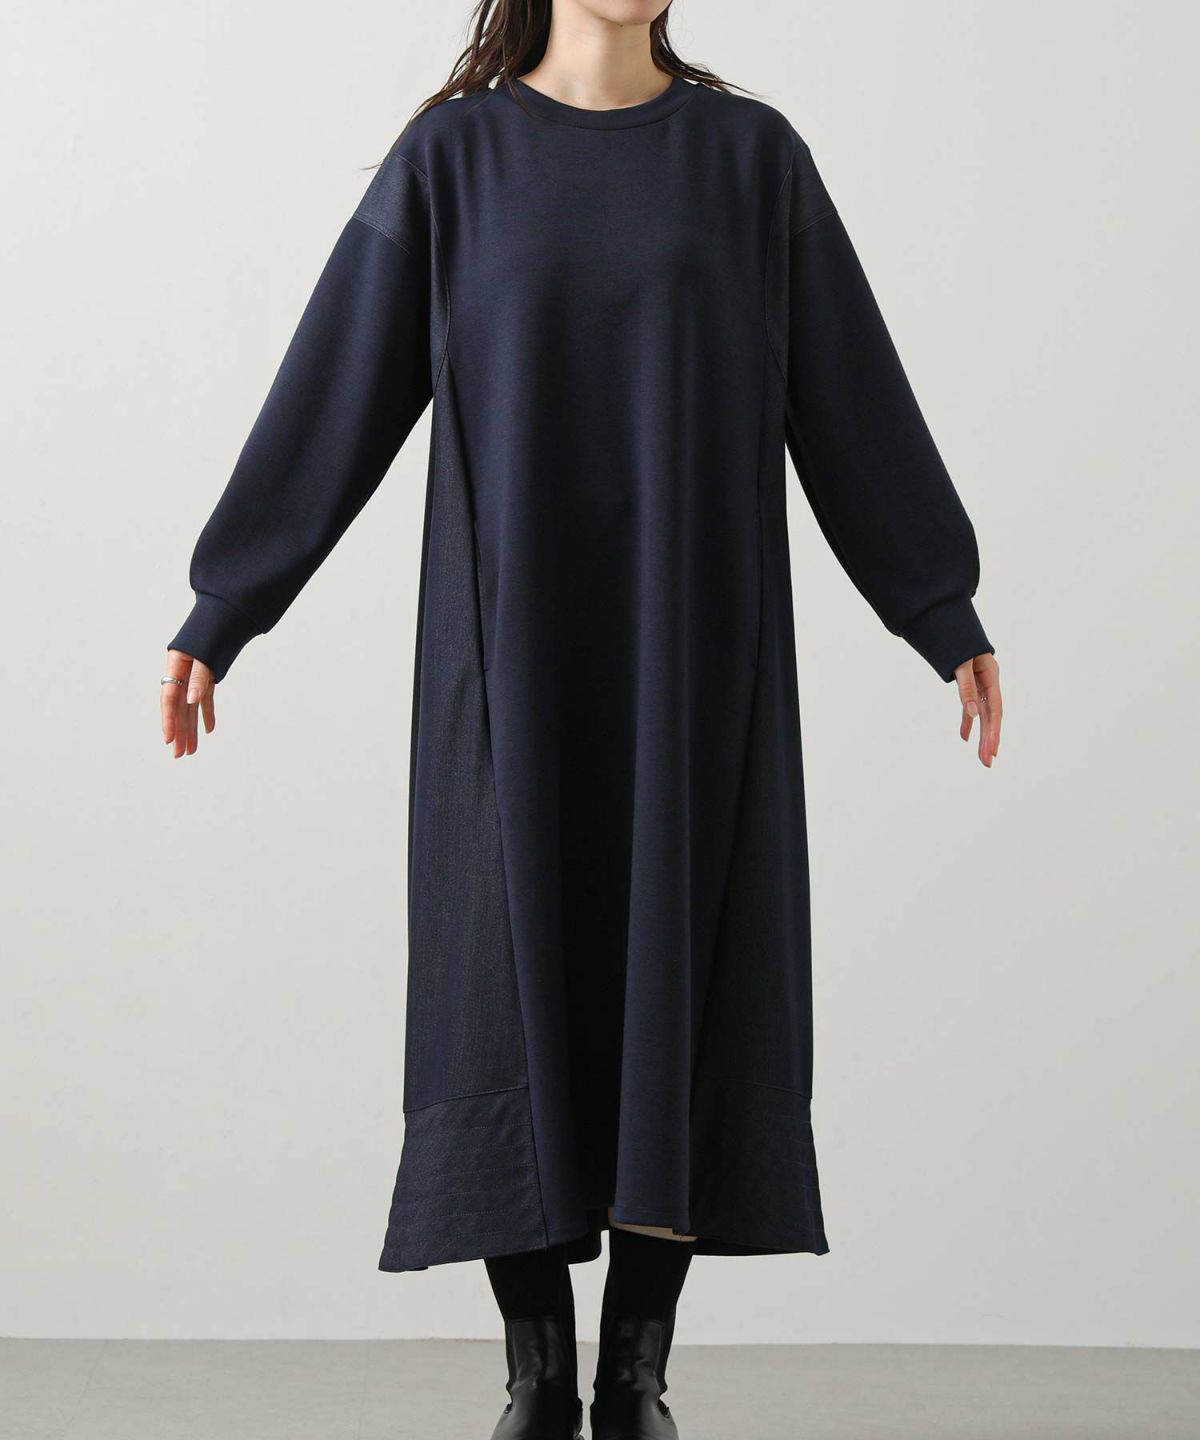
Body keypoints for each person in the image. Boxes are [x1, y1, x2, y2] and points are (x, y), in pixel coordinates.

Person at [161, 2, 1003, 1436]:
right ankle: (536, 1373)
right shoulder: (452, 163)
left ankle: (637, 1374)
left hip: (699, 655)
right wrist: (224, 606)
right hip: (508, 662)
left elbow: (849, 393)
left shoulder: (751, 161)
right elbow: (336, 389)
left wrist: (940, 606)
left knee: (691, 966)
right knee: (504, 979)